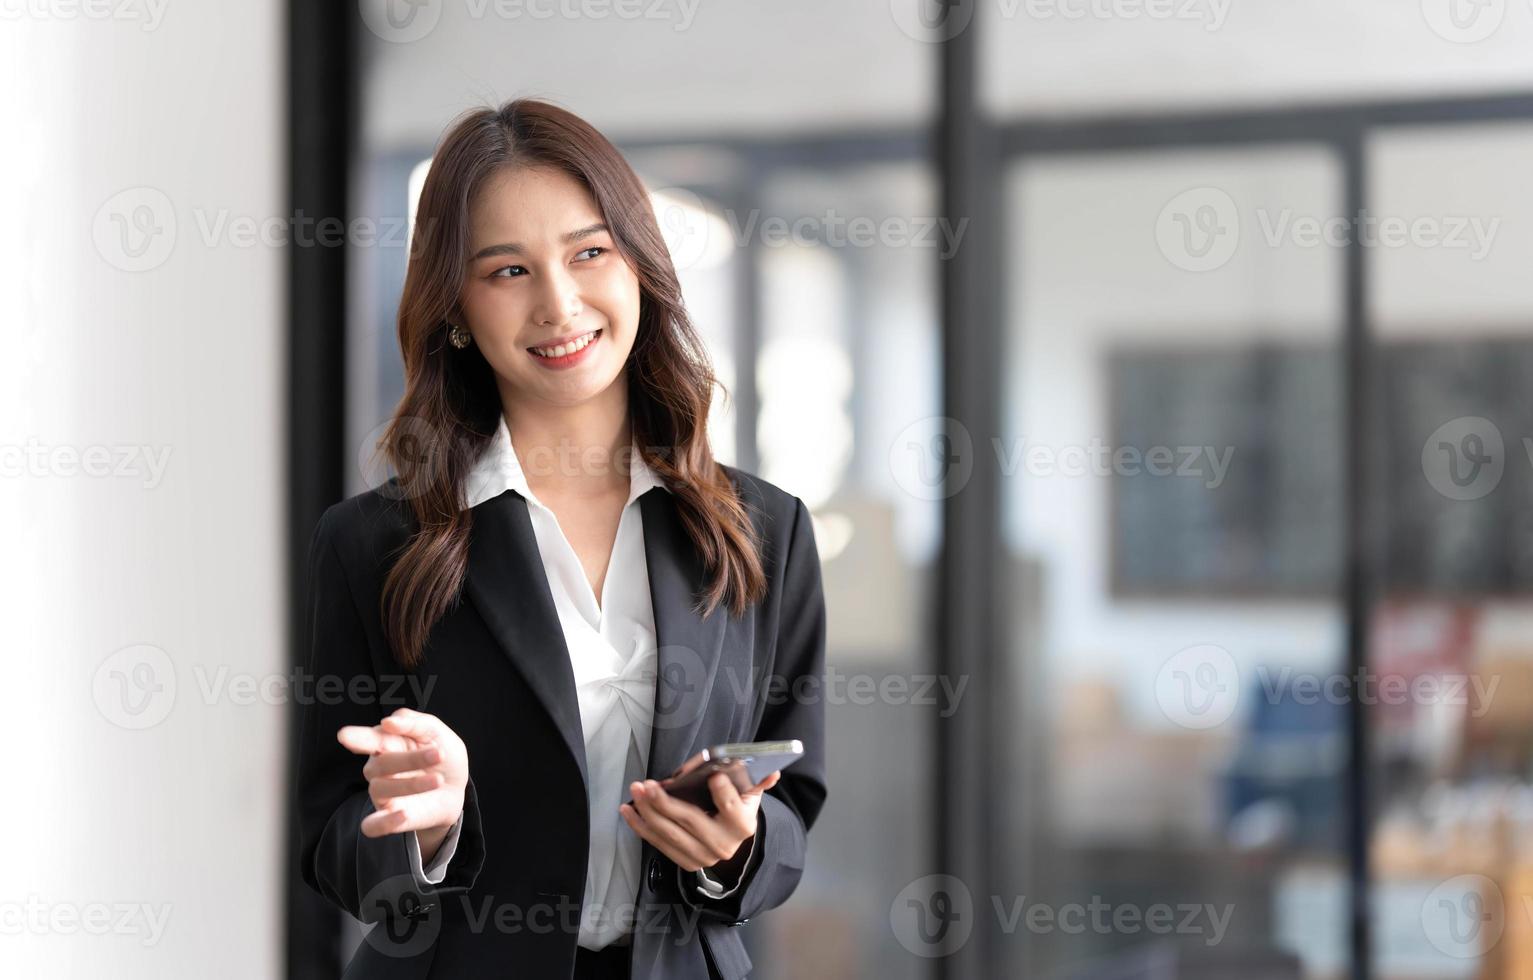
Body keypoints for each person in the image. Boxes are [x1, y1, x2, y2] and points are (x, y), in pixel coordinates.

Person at [294, 98, 828, 980]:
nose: (558, 303)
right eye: (507, 270)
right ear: (456, 304)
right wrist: (424, 830)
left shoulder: (765, 530)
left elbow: (794, 812)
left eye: (589, 253)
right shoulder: (373, 544)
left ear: (640, 267)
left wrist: (735, 846)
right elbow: (330, 840)